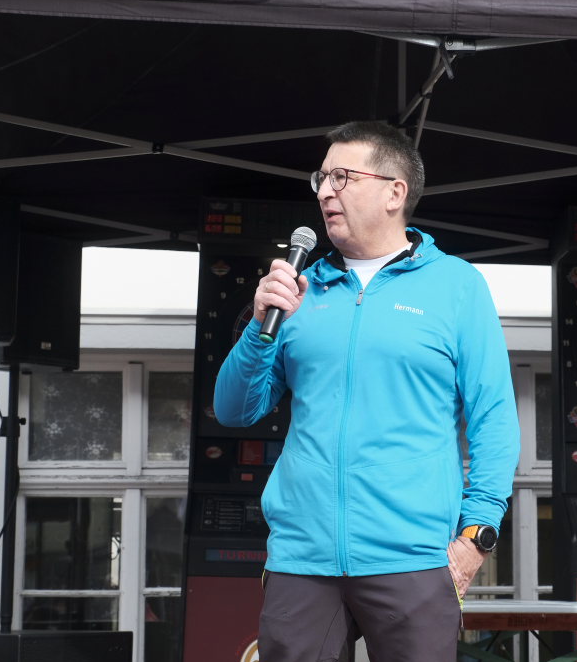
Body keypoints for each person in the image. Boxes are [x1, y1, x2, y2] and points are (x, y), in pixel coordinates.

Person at [214, 120, 520, 662]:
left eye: (342, 177)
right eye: (321, 178)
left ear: (394, 193)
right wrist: (259, 325)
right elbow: (234, 410)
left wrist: (476, 537)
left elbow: (493, 418)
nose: (324, 192)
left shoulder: (457, 285)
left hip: (415, 559)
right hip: (302, 559)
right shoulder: (300, 287)